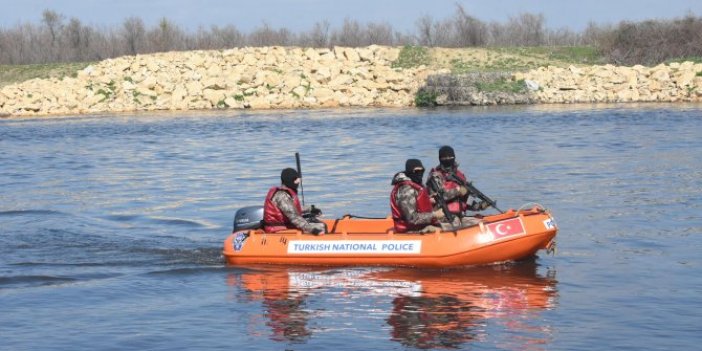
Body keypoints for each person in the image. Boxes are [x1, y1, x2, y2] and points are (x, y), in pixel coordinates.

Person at [427, 146, 488, 229]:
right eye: (444, 157)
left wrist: (478, 206)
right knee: (454, 225)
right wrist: (458, 191)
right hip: (444, 216)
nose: (448, 159)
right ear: (440, 158)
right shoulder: (435, 176)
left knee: (484, 224)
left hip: (460, 216)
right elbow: (439, 197)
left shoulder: (459, 175)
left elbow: (464, 201)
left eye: (450, 157)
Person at [263, 168, 326, 234]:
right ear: (289, 180)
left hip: (284, 225)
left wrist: (310, 209)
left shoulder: (284, 194)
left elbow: (292, 209)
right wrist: (312, 230)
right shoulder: (282, 196)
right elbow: (294, 217)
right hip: (277, 229)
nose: (298, 183)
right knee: (321, 226)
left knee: (318, 222)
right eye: (296, 180)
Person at [390, 159, 445, 233]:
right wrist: (434, 215)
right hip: (409, 230)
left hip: (419, 226)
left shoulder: (415, 185)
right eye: (417, 171)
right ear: (410, 171)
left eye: (422, 171)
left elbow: (415, 202)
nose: (420, 173)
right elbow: (412, 218)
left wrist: (429, 200)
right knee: (443, 228)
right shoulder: (406, 190)